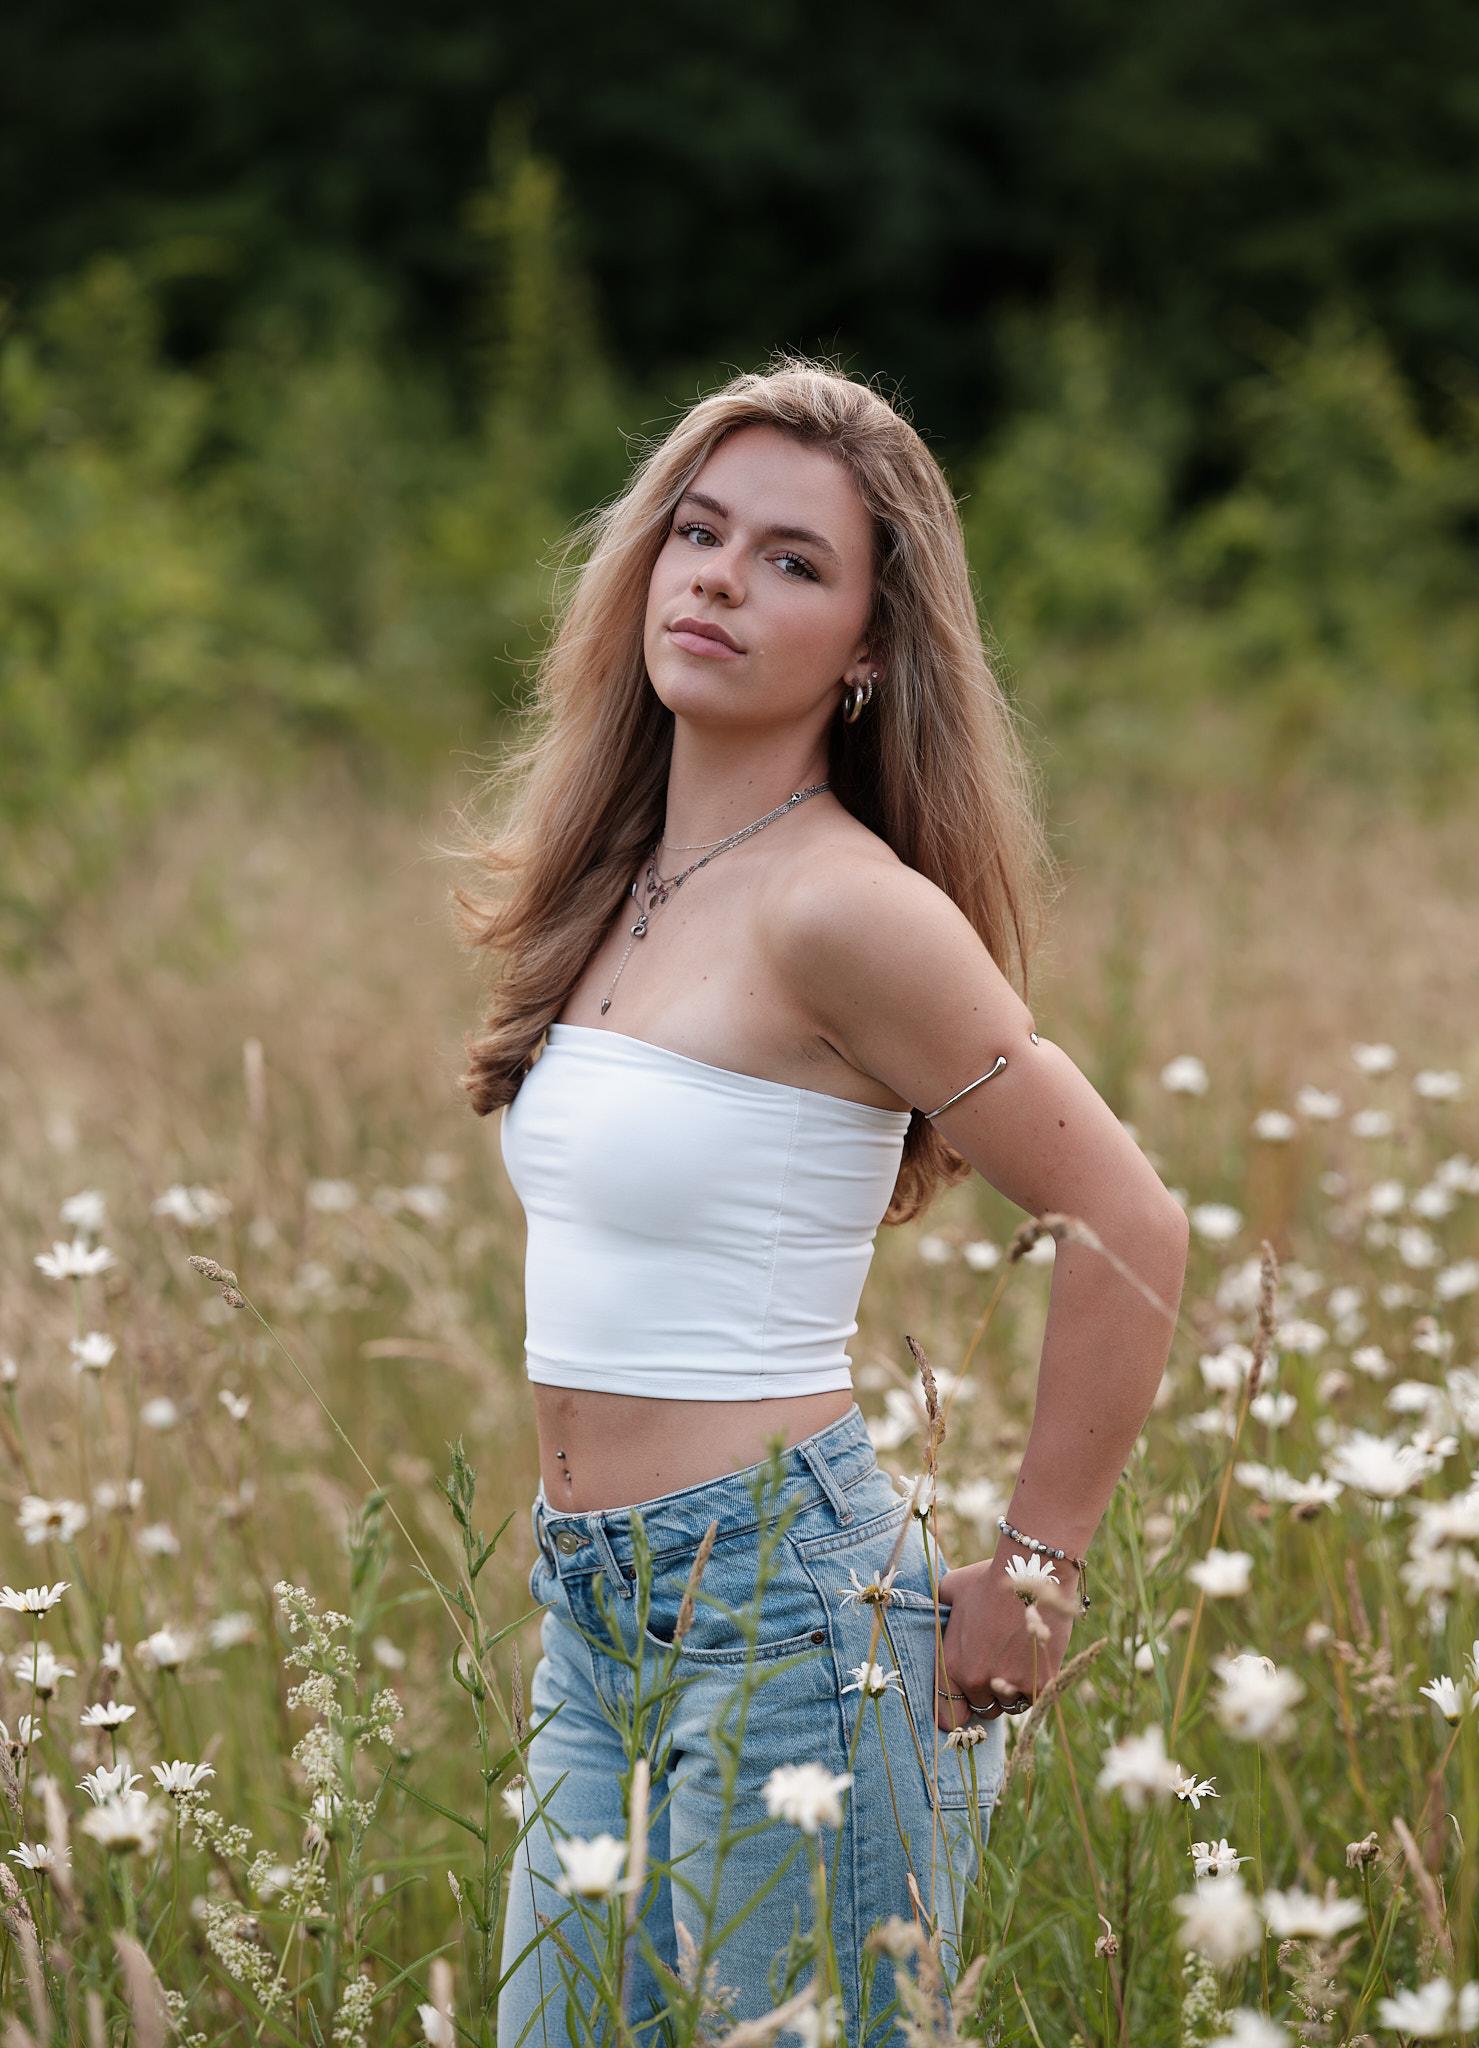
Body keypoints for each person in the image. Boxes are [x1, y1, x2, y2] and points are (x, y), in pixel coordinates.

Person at [450, 356, 1190, 2045]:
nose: (719, 577)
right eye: (698, 532)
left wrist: (1039, 1570)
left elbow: (1130, 1222)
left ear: (867, 648)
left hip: (786, 1627)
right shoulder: (623, 884)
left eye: (792, 560)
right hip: (593, 1619)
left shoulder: (848, 909)